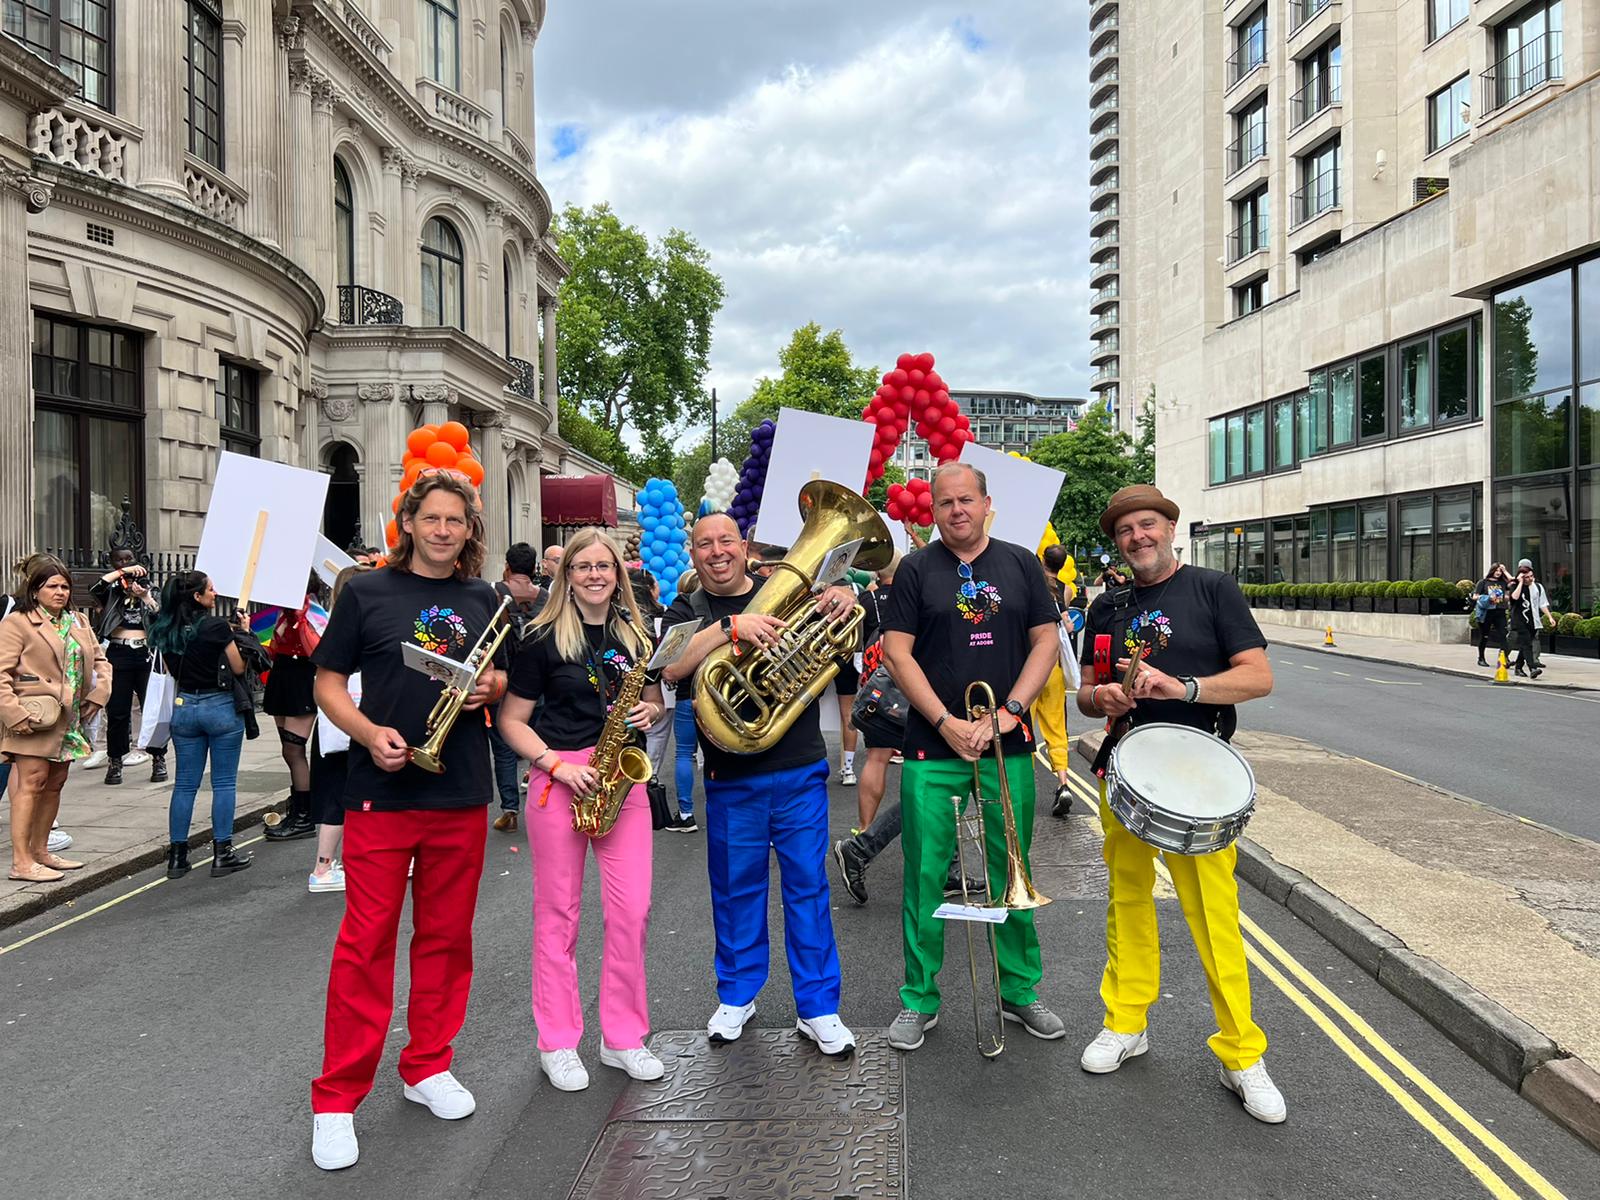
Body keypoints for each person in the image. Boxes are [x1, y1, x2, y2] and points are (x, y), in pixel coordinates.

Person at [308, 469, 506, 1172]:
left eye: (456, 520)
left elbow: (504, 679)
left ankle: (427, 1065)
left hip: (460, 791)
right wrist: (367, 735)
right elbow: (327, 682)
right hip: (381, 793)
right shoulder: (366, 591)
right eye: (432, 518)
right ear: (409, 524)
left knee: (447, 940)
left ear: (468, 529)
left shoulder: (486, 598)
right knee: (365, 944)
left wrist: (490, 686)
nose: (443, 530)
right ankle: (336, 1100)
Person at [1074, 484, 1284, 1124]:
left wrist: (1184, 687)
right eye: (1125, 531)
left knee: (1214, 917)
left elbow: (1258, 677)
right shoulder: (1107, 605)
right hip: (1126, 770)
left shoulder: (1213, 589)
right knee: (1128, 902)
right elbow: (1085, 692)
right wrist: (1103, 698)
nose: (1137, 537)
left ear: (1170, 527)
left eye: (1147, 525)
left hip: (1200, 775)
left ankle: (1241, 1055)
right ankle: (1126, 1022)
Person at [879, 462, 1064, 1052]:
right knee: (924, 875)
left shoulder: (1021, 563)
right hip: (933, 746)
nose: (956, 510)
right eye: (945, 503)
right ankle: (919, 999)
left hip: (1007, 744)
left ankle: (1019, 990)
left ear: (987, 504)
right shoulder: (915, 570)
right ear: (933, 510)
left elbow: (1046, 641)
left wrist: (1010, 711)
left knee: (1013, 870)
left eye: (966, 500)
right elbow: (897, 653)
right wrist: (945, 721)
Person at [660, 512, 859, 1057]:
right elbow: (670, 669)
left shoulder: (787, 590)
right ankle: (737, 995)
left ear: (743, 546)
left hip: (798, 768)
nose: (717, 551)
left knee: (808, 889)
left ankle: (818, 1008)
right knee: (735, 890)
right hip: (731, 776)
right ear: (693, 553)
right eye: (705, 543)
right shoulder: (685, 610)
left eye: (726, 540)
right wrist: (731, 628)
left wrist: (841, 597)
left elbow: (844, 626)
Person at [497, 528, 667, 1092]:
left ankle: (622, 1037)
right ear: (566, 575)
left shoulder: (635, 634)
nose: (595, 575)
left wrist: (649, 713)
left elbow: (653, 701)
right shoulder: (541, 637)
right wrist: (555, 765)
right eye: (584, 566)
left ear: (618, 574)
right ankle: (557, 1042)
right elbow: (511, 720)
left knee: (633, 911)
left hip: (622, 778)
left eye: (604, 566)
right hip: (561, 779)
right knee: (558, 915)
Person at [0, 555, 110, 882]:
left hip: (69, 718)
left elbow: (101, 661)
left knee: (55, 783)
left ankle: (40, 852)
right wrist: (13, 713)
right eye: (52, 586)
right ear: (35, 590)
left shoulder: (78, 621)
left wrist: (99, 693)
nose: (60, 592)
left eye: (65, 586)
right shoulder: (17, 623)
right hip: (33, 717)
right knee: (31, 782)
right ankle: (21, 862)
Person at [148, 570, 252, 881]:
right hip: (219, 707)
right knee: (224, 783)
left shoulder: (164, 629)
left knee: (184, 784)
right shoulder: (216, 627)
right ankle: (223, 853)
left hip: (185, 708)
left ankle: (177, 857)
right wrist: (244, 633)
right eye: (210, 589)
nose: (214, 593)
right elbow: (238, 666)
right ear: (197, 596)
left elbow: (173, 671)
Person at [89, 548, 168, 785]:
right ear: (113, 564)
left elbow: (162, 617)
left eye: (129, 559)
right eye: (119, 561)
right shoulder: (112, 591)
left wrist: (145, 597)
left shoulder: (151, 589)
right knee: (117, 711)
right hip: (119, 651)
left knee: (152, 708)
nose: (125, 563)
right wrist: (121, 574)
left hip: (145, 652)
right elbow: (95, 589)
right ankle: (115, 761)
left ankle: (158, 758)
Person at [262, 573, 325, 842]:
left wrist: (300, 620)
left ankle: (304, 817)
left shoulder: (314, 613)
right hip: (282, 676)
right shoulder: (283, 613)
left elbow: (317, 652)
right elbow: (274, 647)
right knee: (287, 750)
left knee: (294, 749)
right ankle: (297, 807)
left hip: (302, 678)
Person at [490, 542, 542, 832]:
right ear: (534, 568)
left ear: (507, 567)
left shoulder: (494, 593)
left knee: (504, 749)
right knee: (539, 744)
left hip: (504, 680)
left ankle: (509, 809)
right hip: (540, 683)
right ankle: (538, 802)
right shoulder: (546, 596)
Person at [1033, 544, 1075, 819]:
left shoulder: (1032, 586)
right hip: (1054, 667)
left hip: (1030, 666)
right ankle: (1063, 784)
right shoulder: (1066, 590)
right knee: (1056, 728)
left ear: (1043, 561)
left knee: (1024, 728)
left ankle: (1022, 785)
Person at [667, 568, 702, 832]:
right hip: (721, 694)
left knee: (683, 753)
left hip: (686, 692)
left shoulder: (680, 610)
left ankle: (686, 813)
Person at [1508, 559, 1553, 679]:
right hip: (1519, 620)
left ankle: (1518, 667)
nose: (1530, 579)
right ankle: (1532, 668)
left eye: (1531, 576)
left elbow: (1542, 604)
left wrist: (1549, 617)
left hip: (1533, 621)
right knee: (1527, 644)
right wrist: (1520, 583)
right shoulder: (1515, 586)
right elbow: (1514, 598)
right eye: (1527, 577)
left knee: (1525, 645)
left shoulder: (1537, 587)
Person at [1473, 563, 1512, 668]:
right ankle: (1481, 658)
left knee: (1503, 635)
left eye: (1500, 571)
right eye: (1496, 570)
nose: (1498, 573)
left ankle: (1504, 658)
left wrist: (1503, 597)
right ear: (1492, 570)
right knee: (1484, 636)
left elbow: (1511, 584)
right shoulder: (1483, 582)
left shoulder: (1503, 582)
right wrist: (1488, 597)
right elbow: (1475, 596)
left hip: (1500, 610)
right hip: (1487, 611)